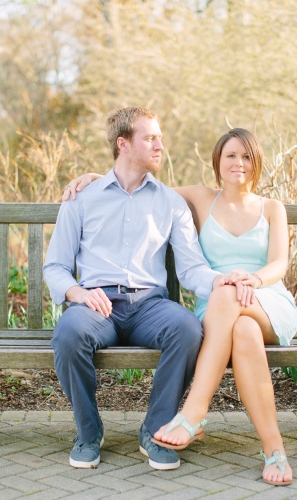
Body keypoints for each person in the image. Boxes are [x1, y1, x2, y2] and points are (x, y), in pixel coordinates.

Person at [64, 127, 297, 486]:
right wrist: (99, 178)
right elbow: (135, 188)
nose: (239, 163)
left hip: (265, 299)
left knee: (235, 303)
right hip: (223, 311)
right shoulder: (202, 198)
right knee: (242, 328)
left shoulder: (272, 208)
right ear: (218, 162)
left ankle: (194, 412)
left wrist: (253, 280)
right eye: (231, 156)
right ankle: (274, 450)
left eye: (247, 156)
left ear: (257, 163)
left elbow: (279, 264)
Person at [43, 107, 248, 472]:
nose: (160, 145)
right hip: (96, 304)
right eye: (150, 138)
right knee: (68, 334)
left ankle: (156, 430)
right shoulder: (83, 198)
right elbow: (55, 267)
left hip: (149, 306)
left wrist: (219, 280)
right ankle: (89, 434)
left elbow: (191, 268)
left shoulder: (170, 202)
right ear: (123, 143)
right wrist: (78, 294)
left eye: (160, 137)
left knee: (186, 329)